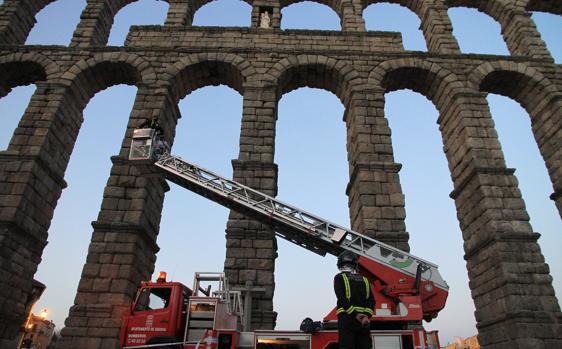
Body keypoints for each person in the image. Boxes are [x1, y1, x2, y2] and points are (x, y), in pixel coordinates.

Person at [333, 251, 375, 349]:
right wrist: (366, 316)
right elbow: (371, 301)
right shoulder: (365, 280)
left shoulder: (339, 277)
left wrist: (355, 314)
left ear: (340, 263)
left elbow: (342, 298)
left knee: (347, 345)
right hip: (363, 321)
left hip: (347, 318)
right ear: (355, 263)